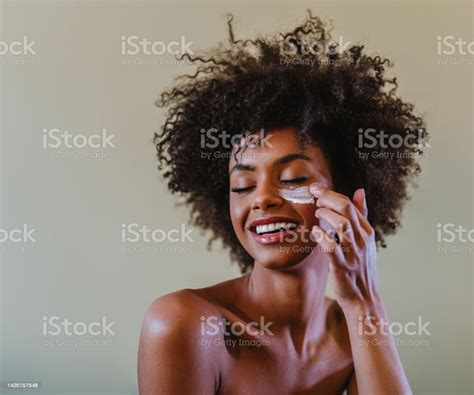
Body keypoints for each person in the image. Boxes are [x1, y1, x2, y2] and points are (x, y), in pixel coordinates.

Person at [138, 12, 427, 394]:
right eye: (242, 185)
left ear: (346, 197)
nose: (261, 199)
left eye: (292, 179)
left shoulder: (352, 333)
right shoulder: (186, 323)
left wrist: (365, 302)